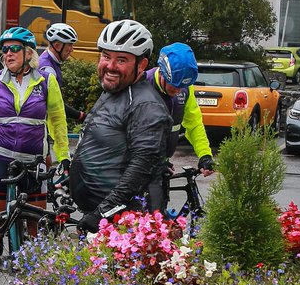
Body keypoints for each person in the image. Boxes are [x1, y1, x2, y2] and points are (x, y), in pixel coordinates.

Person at [0, 27, 68, 285]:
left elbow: (57, 121)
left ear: (28, 52)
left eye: (13, 49)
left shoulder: (45, 81)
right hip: (0, 159)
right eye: (4, 49)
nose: (7, 54)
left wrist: (64, 157)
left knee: (36, 225)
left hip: (34, 162)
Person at [68, 19, 171, 223]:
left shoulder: (145, 105)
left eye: (121, 60)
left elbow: (141, 168)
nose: (110, 66)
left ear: (141, 65)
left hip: (122, 225)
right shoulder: (116, 90)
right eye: (106, 56)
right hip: (100, 217)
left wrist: (101, 213)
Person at [148, 41, 214, 176]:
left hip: (163, 161)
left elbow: (194, 124)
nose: (178, 91)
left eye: (182, 86)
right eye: (174, 86)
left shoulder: (186, 89)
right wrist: (151, 161)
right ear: (162, 73)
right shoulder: (143, 85)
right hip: (139, 166)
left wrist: (205, 155)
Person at [38, 22, 84, 123]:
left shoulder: (49, 58)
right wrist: (79, 115)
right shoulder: (47, 69)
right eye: (70, 45)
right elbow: (54, 103)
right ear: (58, 46)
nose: (72, 49)